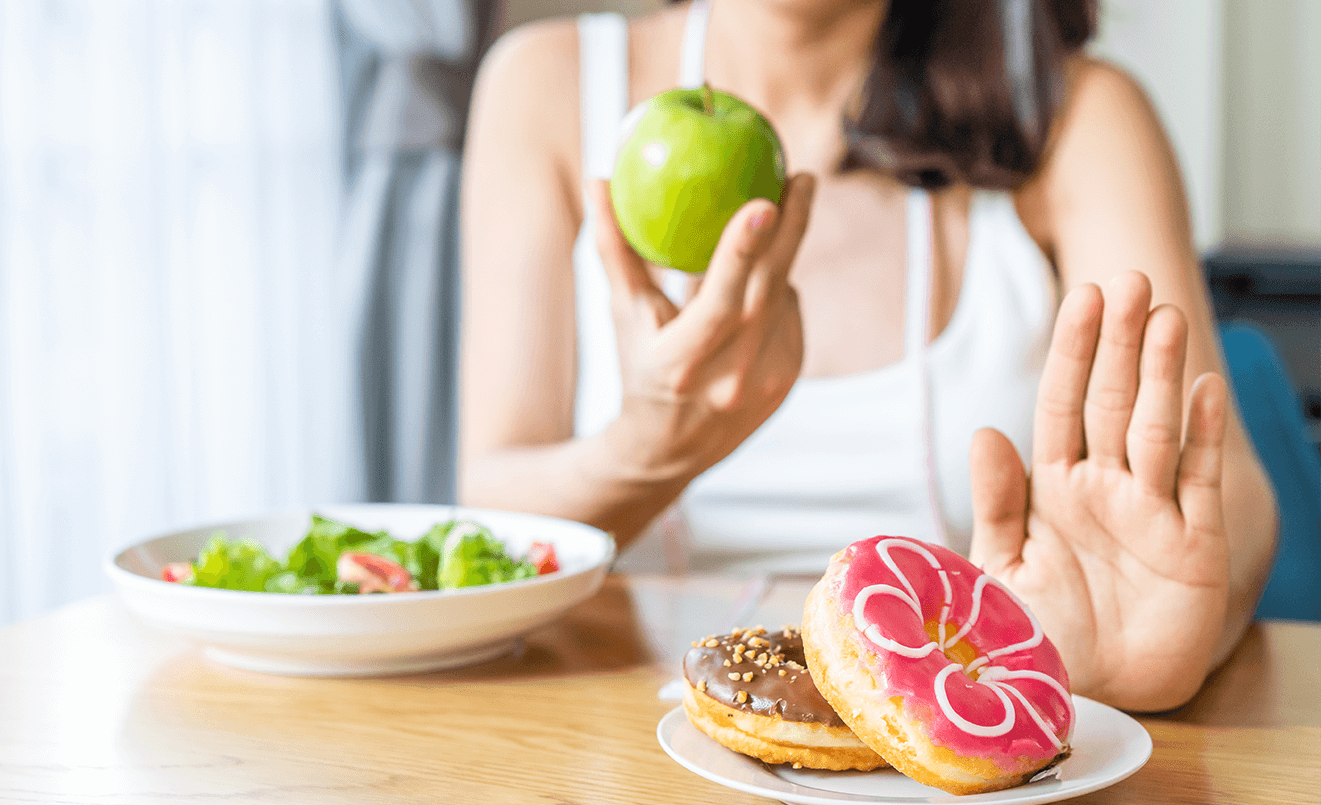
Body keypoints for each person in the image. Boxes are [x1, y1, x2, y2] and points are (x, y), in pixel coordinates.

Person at [456, 0, 1277, 712]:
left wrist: (1122, 649)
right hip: (609, 742)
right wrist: (645, 450)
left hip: (960, 756)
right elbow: (489, 507)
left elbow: (1227, 505)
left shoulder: (1080, 116)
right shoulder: (547, 84)